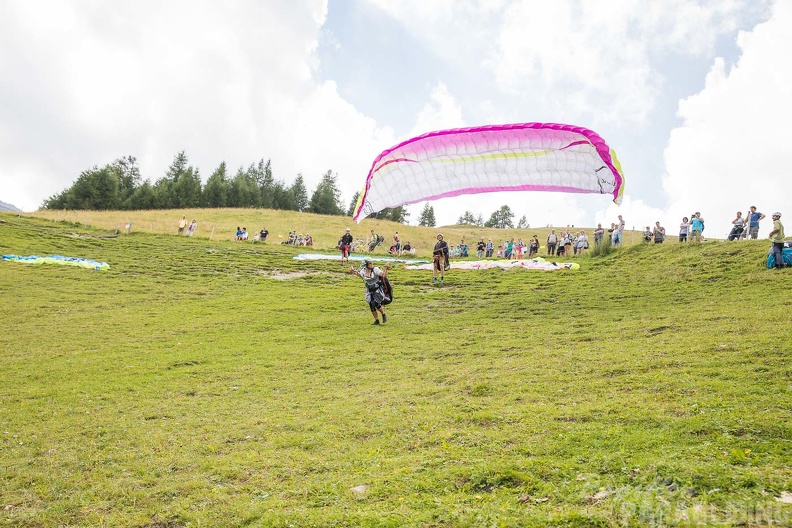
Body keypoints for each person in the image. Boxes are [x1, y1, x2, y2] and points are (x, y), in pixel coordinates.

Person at [348, 260, 391, 324]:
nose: (372, 264)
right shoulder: (363, 271)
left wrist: (386, 269)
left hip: (377, 289)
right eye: (370, 263)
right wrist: (353, 271)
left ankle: (383, 314)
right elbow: (360, 275)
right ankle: (377, 320)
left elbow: (384, 276)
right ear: (366, 265)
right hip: (369, 289)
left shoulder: (375, 269)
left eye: (371, 262)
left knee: (376, 303)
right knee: (371, 304)